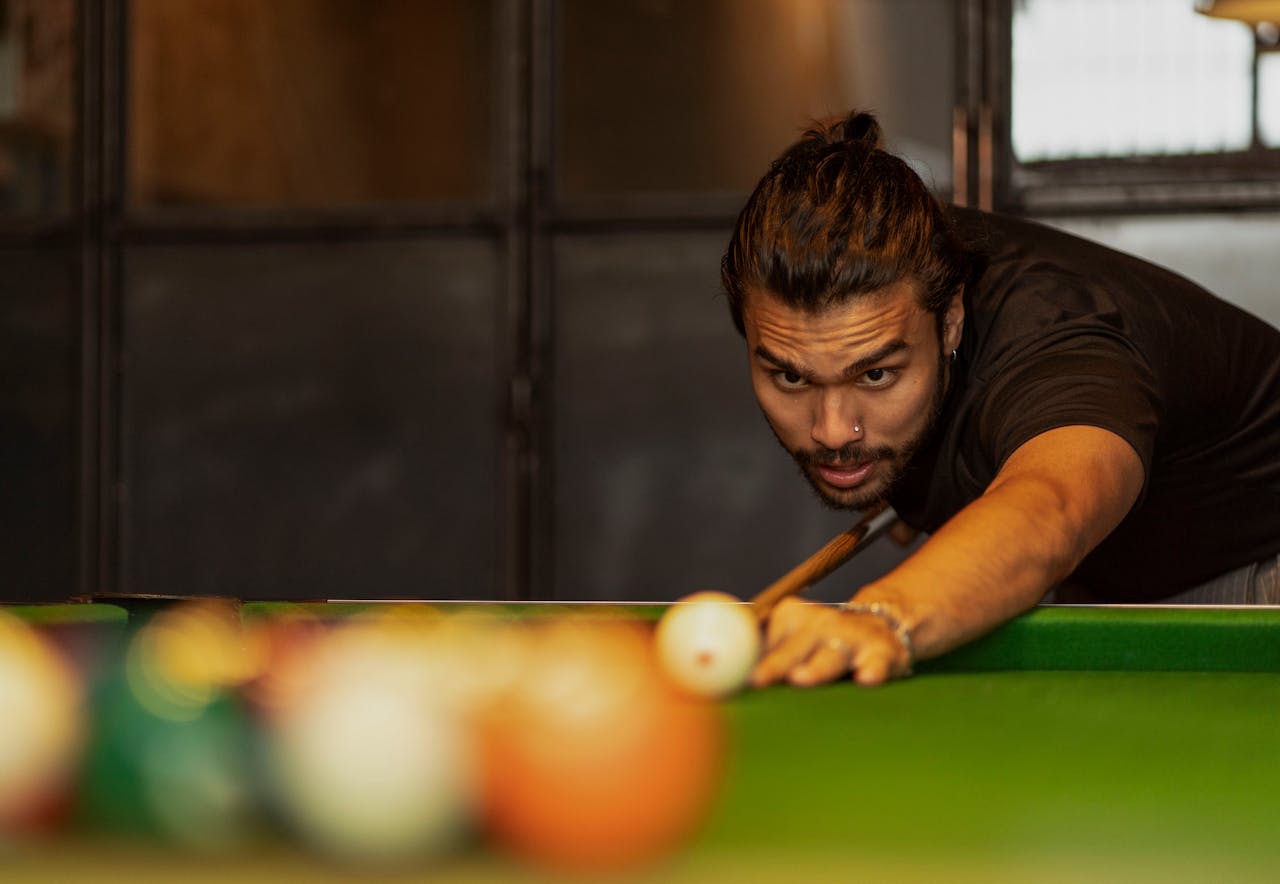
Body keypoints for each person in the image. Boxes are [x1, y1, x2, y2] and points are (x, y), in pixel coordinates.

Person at [722, 110, 1280, 689]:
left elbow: (1053, 506)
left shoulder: (1064, 345)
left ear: (951, 322)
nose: (833, 431)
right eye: (792, 379)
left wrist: (885, 614)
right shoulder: (899, 256)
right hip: (1124, 574)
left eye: (876, 377)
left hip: (1257, 573)